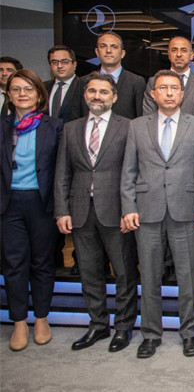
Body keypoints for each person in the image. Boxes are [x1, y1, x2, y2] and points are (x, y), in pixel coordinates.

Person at [121, 69, 194, 358]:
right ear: (153, 93)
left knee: (188, 277)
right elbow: (128, 171)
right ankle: (150, 334)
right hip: (147, 211)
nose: (169, 93)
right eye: (163, 88)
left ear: (182, 94)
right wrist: (128, 207)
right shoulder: (137, 126)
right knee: (149, 277)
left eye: (174, 88)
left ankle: (190, 333)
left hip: (186, 210)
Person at [54, 72, 137, 352]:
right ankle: (98, 324)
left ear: (114, 97)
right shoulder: (71, 129)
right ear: (85, 95)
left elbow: (133, 172)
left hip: (117, 211)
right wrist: (62, 210)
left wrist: (130, 209)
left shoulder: (129, 127)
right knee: (89, 273)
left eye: (103, 92)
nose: (97, 96)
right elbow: (62, 173)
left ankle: (123, 327)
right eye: (92, 91)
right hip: (80, 211)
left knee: (124, 272)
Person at [1, 69, 62, 351]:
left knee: (42, 263)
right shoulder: (2, 126)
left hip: (42, 203)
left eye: (28, 89)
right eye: (16, 89)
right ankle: (18, 322)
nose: (22, 94)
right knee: (14, 264)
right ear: (9, 95)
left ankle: (41, 318)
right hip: (8, 204)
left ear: (39, 94)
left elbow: (61, 170)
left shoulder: (55, 126)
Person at [143, 36, 194, 280]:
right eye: (175, 50)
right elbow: (147, 118)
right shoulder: (153, 82)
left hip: (192, 153)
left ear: (192, 55)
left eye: (184, 50)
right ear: (169, 54)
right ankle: (165, 262)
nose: (179, 54)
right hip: (158, 156)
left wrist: (185, 135)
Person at [75, 32, 146, 120]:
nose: (108, 50)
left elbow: (141, 119)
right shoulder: (83, 81)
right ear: (97, 52)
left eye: (114, 47)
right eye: (103, 46)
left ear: (122, 53)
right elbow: (76, 117)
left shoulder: (136, 82)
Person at [45, 45, 83, 124]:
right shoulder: (43, 87)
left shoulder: (84, 87)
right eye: (55, 62)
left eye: (65, 61)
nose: (59, 66)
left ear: (74, 64)